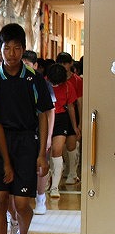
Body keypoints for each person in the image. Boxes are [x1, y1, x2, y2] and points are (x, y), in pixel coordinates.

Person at [0, 24, 53, 234]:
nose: (12, 53)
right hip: (0, 141)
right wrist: (4, 160)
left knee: (22, 203)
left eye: (17, 48)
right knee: (0, 199)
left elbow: (43, 116)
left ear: (23, 49)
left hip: (27, 142)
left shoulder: (34, 79)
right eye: (7, 48)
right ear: (0, 49)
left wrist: (42, 153)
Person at [45, 63, 80, 198]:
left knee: (57, 150)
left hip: (61, 119)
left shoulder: (68, 86)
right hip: (45, 118)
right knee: (45, 151)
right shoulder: (44, 84)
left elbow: (71, 107)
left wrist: (75, 126)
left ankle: (55, 187)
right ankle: (46, 181)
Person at [56, 52, 83, 185]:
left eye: (65, 63)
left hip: (72, 114)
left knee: (72, 144)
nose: (63, 66)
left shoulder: (76, 80)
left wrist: (80, 123)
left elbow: (79, 103)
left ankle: (72, 172)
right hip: (58, 115)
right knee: (60, 146)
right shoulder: (53, 79)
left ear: (70, 64)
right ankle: (65, 170)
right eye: (60, 63)